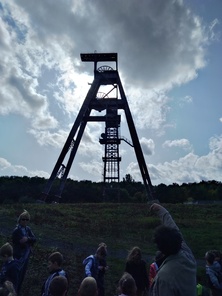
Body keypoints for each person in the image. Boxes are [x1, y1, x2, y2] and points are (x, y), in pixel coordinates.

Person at [149, 203, 197, 296]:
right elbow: (174, 229)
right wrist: (162, 211)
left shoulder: (164, 277)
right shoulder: (188, 256)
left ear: (160, 249)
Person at [12, 209, 36, 294]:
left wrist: (27, 239)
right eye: (23, 219)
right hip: (18, 256)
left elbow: (34, 239)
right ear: (20, 219)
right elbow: (18, 242)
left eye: (27, 219)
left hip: (25, 256)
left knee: (21, 276)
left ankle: (17, 292)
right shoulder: (16, 230)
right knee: (15, 275)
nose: (25, 221)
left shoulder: (28, 229)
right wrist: (26, 241)